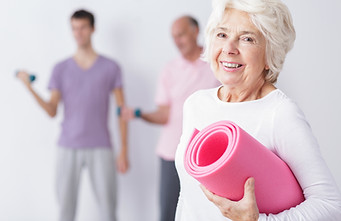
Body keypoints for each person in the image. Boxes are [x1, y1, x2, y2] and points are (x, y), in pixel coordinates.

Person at [174, 0, 341, 220]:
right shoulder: (196, 104)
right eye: (222, 35)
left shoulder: (279, 113)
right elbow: (187, 195)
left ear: (270, 54)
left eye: (247, 39)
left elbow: (330, 205)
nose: (229, 49)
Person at [16, 9, 129, 221]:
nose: (78, 33)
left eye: (83, 27)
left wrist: (123, 150)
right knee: (65, 212)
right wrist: (29, 87)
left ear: (92, 29)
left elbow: (121, 111)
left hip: (101, 147)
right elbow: (52, 110)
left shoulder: (111, 67)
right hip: (67, 147)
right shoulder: (60, 69)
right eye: (74, 28)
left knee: (108, 211)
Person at [122, 16, 219, 221]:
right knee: (168, 213)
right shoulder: (169, 69)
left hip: (207, 155)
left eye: (181, 34)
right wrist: (139, 114)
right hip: (171, 154)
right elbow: (164, 114)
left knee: (209, 212)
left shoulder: (216, 63)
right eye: (174, 37)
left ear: (195, 31)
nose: (177, 41)